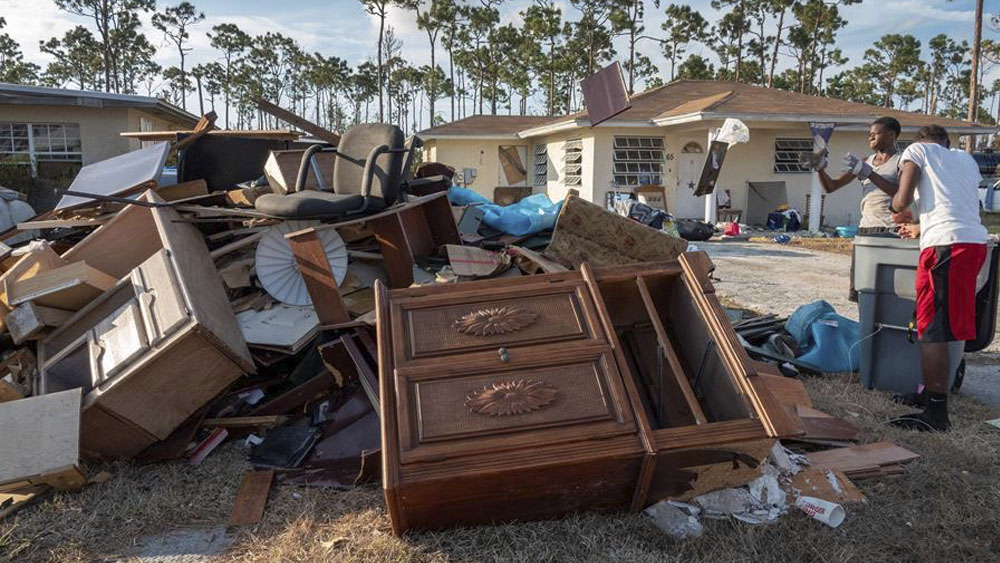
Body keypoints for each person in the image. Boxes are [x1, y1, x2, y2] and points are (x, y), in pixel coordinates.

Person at [888, 124, 988, 432]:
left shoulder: (916, 151)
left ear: (921, 141)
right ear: (946, 142)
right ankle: (929, 394)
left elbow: (901, 200)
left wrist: (899, 210)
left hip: (946, 248)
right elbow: (962, 204)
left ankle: (936, 414)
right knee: (936, 323)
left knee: (933, 329)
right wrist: (921, 227)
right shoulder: (965, 159)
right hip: (970, 244)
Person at [815, 117, 903, 301]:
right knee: (861, 287)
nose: (870, 138)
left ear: (892, 135)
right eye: (869, 135)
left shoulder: (901, 162)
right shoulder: (866, 161)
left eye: (875, 134)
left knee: (886, 288)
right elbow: (831, 187)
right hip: (866, 230)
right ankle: (864, 325)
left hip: (890, 229)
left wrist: (869, 173)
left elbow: (900, 194)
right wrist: (820, 169)